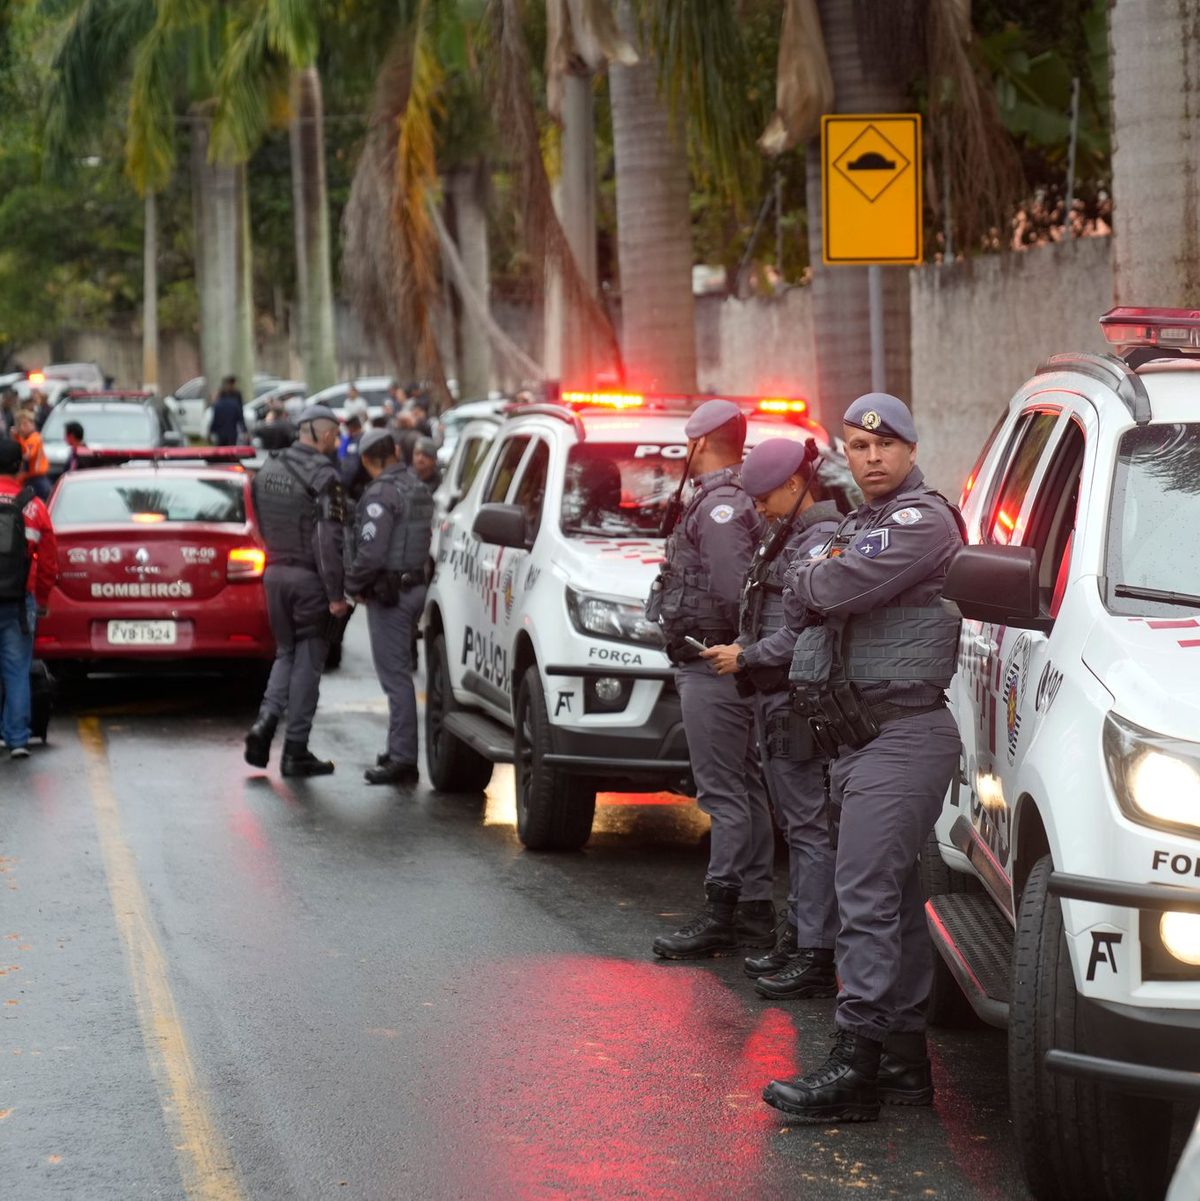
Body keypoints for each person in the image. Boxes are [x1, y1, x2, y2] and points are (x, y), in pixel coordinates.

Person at [761, 393, 965, 1124]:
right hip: (855, 740)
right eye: (856, 445)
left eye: (884, 444)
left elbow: (831, 585)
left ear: (909, 448)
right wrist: (818, 580)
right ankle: (904, 1066)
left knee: (863, 898)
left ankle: (854, 1061)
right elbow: (800, 588)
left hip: (904, 732)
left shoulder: (921, 519)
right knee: (894, 903)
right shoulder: (851, 524)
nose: (871, 456)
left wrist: (820, 580)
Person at [700, 438, 842, 999]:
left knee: (809, 829)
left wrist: (748, 655)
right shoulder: (789, 535)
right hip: (778, 696)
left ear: (794, 485)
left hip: (797, 699)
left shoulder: (820, 539)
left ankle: (816, 950)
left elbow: (809, 629)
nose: (755, 509)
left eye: (763, 498)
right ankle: (800, 937)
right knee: (798, 826)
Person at [645, 398, 775, 958]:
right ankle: (753, 912)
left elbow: (733, 590)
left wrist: (737, 651)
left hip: (714, 666)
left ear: (700, 442)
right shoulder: (737, 497)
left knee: (724, 795)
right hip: (726, 666)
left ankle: (724, 913)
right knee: (744, 790)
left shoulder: (721, 505)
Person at [243, 404, 348, 776]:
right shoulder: (324, 475)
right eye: (334, 436)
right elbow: (328, 539)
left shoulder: (268, 468)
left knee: (285, 653)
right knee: (308, 662)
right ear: (322, 434)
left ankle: (265, 722)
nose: (335, 442)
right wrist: (336, 593)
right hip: (308, 581)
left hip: (274, 575)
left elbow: (256, 518)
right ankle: (295, 749)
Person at [345, 428, 433, 784]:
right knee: (402, 674)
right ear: (396, 451)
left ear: (367, 460)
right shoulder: (418, 486)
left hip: (391, 595)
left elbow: (371, 552)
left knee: (395, 678)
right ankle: (398, 746)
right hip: (416, 587)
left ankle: (402, 759)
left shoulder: (381, 493)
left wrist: (351, 586)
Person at [0, 437, 57, 759]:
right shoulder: (32, 505)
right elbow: (49, 560)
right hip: (20, 604)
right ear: (19, 466)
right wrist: (43, 597)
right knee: (17, 670)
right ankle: (18, 739)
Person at [13, 410, 51, 500]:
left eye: (25, 424)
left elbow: (27, 455)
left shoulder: (34, 438)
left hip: (37, 481)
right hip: (31, 479)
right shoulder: (26, 439)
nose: (22, 428)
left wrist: (18, 438)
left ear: (32, 424)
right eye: (19, 425)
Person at [209, 375, 247, 447]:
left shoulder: (236, 394)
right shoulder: (234, 402)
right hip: (230, 429)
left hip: (225, 429)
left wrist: (212, 431)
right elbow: (240, 415)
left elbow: (215, 419)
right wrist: (244, 429)